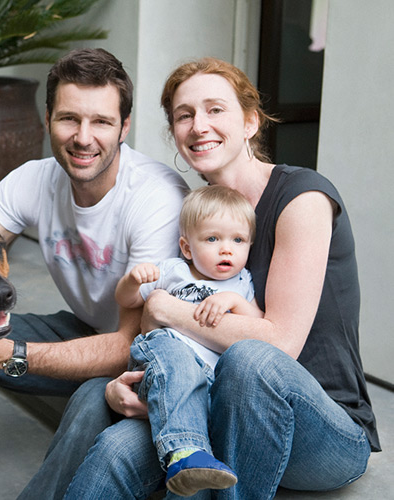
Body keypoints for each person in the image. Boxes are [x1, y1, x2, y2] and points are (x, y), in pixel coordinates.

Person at [62, 57, 381, 500]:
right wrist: (132, 386)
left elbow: (278, 344)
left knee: (251, 360)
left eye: (215, 109)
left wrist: (167, 308)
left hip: (324, 429)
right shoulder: (196, 215)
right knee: (116, 446)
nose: (198, 126)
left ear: (250, 122)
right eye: (184, 115)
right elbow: (158, 332)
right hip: (213, 407)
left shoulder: (302, 198)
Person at [0, 47, 188, 490]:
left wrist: (8, 353)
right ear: (47, 118)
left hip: (154, 357)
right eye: (69, 118)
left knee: (90, 399)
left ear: (124, 127)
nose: (83, 137)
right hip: (83, 331)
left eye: (101, 121)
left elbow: (131, 342)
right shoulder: (33, 178)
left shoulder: (156, 197)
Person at [116, 185, 263, 496]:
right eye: (212, 239)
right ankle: (184, 453)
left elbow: (260, 330)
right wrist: (131, 281)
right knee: (173, 351)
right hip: (161, 361)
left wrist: (236, 303)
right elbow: (127, 300)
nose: (227, 249)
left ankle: (192, 467)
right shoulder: (175, 270)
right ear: (186, 247)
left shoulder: (242, 283)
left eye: (238, 240)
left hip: (206, 379)